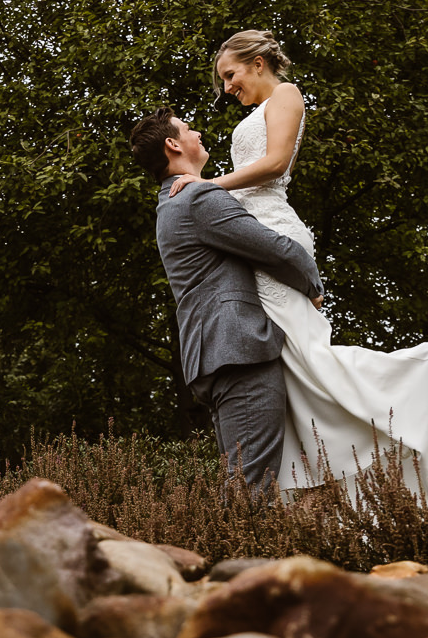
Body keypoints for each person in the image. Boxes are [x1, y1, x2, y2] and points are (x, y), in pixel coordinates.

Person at [167, 30, 428, 496]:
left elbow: (276, 163)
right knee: (289, 360)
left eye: (231, 75)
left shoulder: (286, 94)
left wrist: (210, 186)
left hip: (273, 229)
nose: (227, 88)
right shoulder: (255, 112)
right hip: (254, 231)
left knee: (306, 356)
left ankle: (423, 380)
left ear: (259, 63)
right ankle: (314, 461)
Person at [130, 107, 326, 495]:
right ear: (172, 144)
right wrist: (313, 284)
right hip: (238, 349)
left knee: (244, 478)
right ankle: (227, 553)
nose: (197, 133)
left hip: (216, 352)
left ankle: (230, 550)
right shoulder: (197, 198)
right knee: (251, 484)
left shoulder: (171, 203)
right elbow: (274, 248)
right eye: (187, 130)